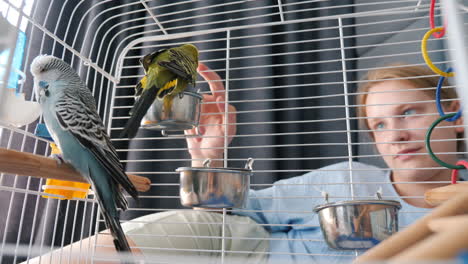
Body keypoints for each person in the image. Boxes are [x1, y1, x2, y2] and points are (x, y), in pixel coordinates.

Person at [26, 63, 465, 263]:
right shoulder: (351, 178)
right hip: (244, 249)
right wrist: (209, 156)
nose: (397, 134)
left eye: (409, 113)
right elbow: (226, 214)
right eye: (380, 124)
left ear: (455, 115)